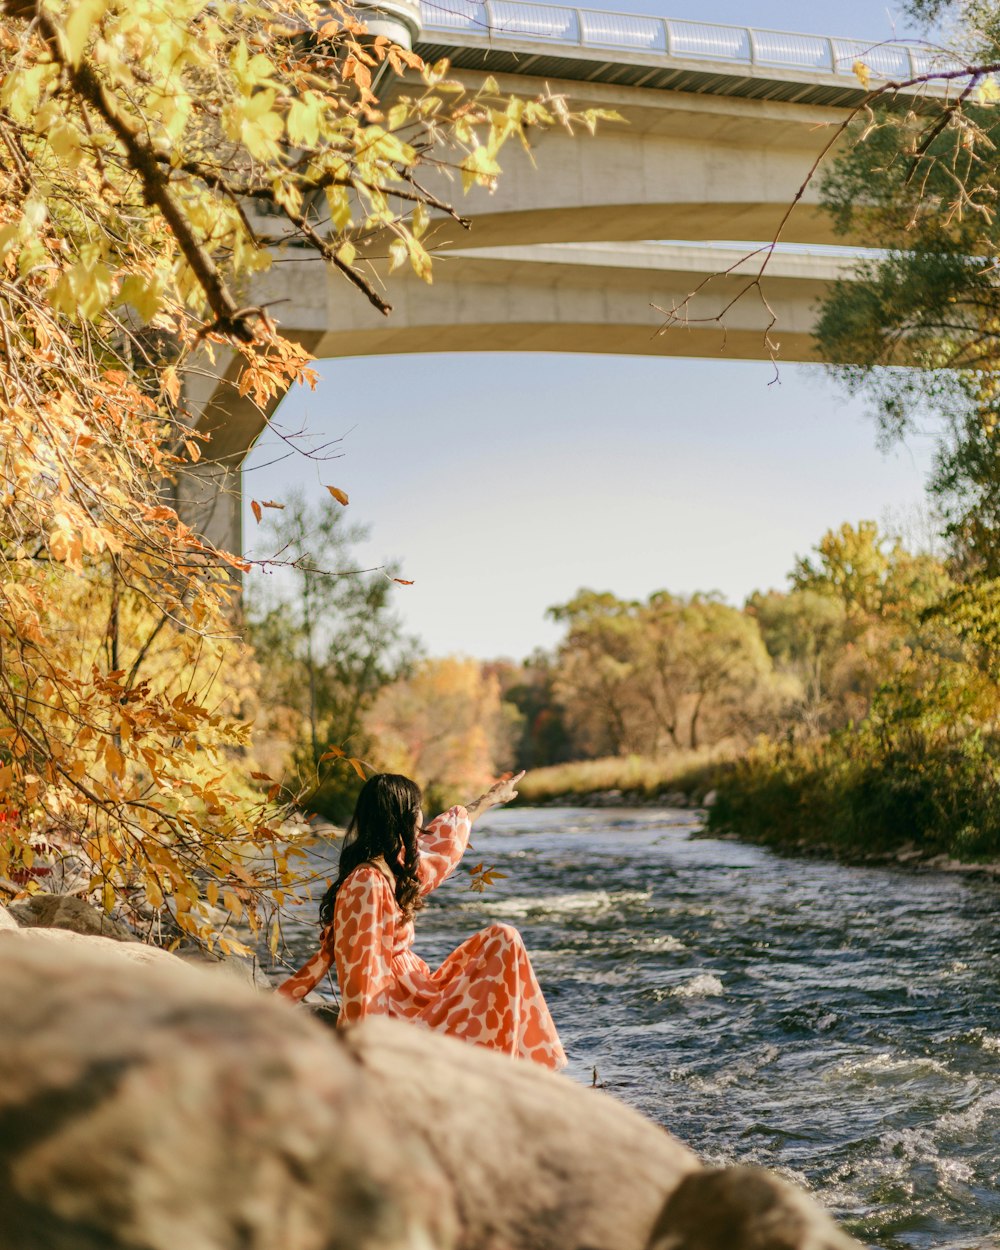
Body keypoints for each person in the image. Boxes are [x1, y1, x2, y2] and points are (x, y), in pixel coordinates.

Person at [277, 771, 566, 1071]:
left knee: (503, 940)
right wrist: (365, 1049)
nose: (422, 818)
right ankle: (519, 1073)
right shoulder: (367, 883)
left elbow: (444, 841)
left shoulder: (396, 866)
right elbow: (362, 975)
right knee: (502, 942)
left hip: (418, 990)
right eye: (417, 809)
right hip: (397, 1009)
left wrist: (490, 798)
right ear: (400, 817)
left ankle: (525, 1069)